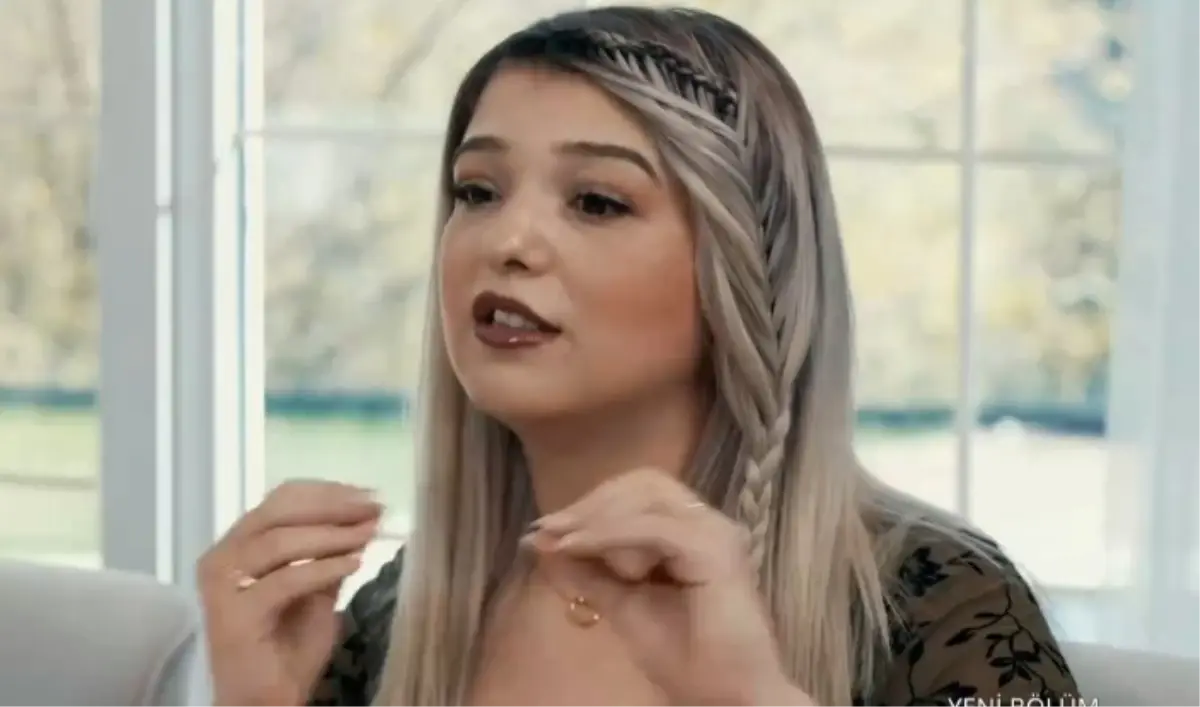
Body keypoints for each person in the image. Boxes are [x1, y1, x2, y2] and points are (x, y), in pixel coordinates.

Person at [198, 7, 1081, 707]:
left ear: (743, 269)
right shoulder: (396, 614)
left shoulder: (944, 604)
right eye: (477, 190)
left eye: (595, 201)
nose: (507, 240)